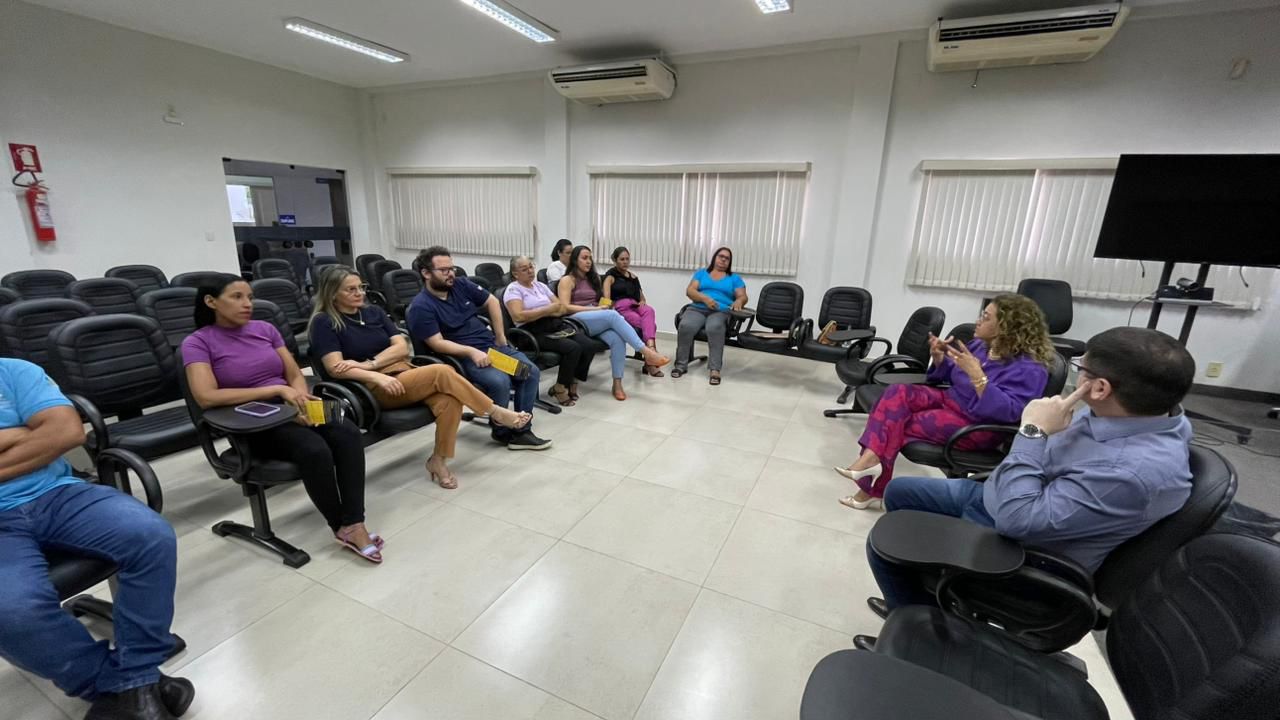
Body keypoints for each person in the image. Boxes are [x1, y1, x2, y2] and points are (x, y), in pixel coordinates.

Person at [863, 327, 1196, 622]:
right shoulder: (1139, 416)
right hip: (999, 497)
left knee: (884, 543)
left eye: (1081, 369)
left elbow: (1017, 518)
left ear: (1100, 388)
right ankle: (920, 605)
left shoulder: (1129, 471)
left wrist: (1033, 430)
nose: (1075, 376)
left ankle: (917, 629)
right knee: (899, 493)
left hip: (1019, 547)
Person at [0, 358, 194, 720]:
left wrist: (30, 437)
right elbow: (46, 434)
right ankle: (131, 683)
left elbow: (65, 432)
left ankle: (133, 677)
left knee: (149, 534)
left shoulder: (13, 371)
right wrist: (23, 434)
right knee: (11, 612)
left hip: (56, 493)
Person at [182, 275, 384, 564]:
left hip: (291, 404)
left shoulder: (265, 329)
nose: (247, 304)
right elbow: (206, 397)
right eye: (237, 297)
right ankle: (341, 526)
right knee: (314, 449)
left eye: (249, 297)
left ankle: (354, 521)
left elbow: (293, 374)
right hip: (251, 419)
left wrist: (299, 400)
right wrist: (277, 390)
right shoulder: (198, 342)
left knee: (347, 431)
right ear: (211, 302)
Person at [309, 267, 531, 489]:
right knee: (440, 371)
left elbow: (402, 347)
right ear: (333, 293)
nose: (360, 293)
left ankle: (438, 461)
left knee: (450, 401)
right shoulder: (324, 322)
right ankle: (495, 412)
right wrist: (376, 376)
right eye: (351, 289)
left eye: (361, 287)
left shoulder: (373, 313)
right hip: (370, 387)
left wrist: (371, 363)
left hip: (402, 372)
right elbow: (336, 368)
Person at [834, 295, 1054, 510]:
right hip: (950, 400)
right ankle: (871, 462)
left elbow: (1011, 412)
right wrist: (939, 358)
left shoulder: (1031, 368)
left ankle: (869, 487)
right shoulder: (980, 345)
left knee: (895, 424)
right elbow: (953, 373)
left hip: (977, 425)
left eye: (986, 317)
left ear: (1006, 327)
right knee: (896, 393)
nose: (978, 320)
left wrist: (978, 376)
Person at [406, 246, 552, 449]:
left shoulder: (460, 285)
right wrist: (470, 352)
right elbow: (436, 343)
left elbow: (492, 301)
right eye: (444, 270)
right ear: (426, 273)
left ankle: (521, 431)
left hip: (491, 350)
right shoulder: (421, 306)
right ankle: (501, 431)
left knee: (529, 372)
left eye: (452, 268)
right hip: (462, 357)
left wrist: (500, 336)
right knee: (499, 381)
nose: (451, 274)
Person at [555, 245, 670, 401]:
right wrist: (597, 311)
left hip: (595, 318)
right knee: (612, 315)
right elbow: (564, 307)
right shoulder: (567, 280)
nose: (588, 261)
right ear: (575, 260)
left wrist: (603, 306)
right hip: (576, 319)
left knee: (617, 339)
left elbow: (601, 300)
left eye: (590, 258)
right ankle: (648, 353)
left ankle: (617, 384)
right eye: (584, 258)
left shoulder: (593, 278)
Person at [503, 255, 597, 406]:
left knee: (589, 345)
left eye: (531, 267)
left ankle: (570, 380)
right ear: (515, 273)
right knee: (573, 348)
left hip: (553, 324)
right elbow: (519, 316)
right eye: (524, 269)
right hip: (531, 332)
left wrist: (540, 311)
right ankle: (561, 387)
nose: (530, 271)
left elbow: (560, 307)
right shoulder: (513, 289)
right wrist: (547, 309)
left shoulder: (540, 285)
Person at [672, 246, 748, 385]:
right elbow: (690, 291)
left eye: (727, 258)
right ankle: (680, 365)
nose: (723, 260)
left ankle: (715, 369)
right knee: (686, 325)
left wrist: (739, 301)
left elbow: (743, 296)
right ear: (715, 257)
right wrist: (705, 299)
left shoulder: (734, 278)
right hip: (697, 308)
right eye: (721, 256)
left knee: (714, 328)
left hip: (720, 311)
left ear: (729, 262)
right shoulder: (701, 273)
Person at [603, 246, 663, 377]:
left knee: (650, 310)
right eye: (622, 259)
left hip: (636, 306)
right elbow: (606, 298)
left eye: (627, 259)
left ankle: (650, 353)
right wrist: (606, 312)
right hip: (621, 308)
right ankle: (651, 361)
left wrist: (642, 302)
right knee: (651, 326)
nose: (625, 262)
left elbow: (642, 298)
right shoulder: (610, 276)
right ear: (615, 260)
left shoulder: (634, 277)